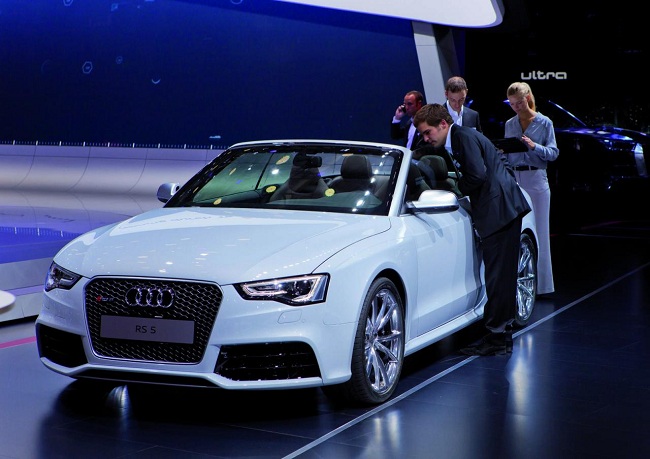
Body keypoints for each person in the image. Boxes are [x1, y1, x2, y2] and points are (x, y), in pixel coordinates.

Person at [413, 103, 531, 356]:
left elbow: (477, 175)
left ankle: (497, 337)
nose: (426, 138)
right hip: (503, 208)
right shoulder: (463, 136)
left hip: (499, 212)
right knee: (502, 277)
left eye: (427, 132)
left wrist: (456, 191)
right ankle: (501, 336)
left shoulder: (462, 138)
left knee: (498, 278)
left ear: (442, 124)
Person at [505, 82, 559, 295]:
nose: (516, 107)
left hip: (536, 179)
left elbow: (553, 153)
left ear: (527, 98)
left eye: (519, 103)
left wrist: (534, 146)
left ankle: (543, 287)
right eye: (512, 104)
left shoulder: (544, 122)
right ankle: (520, 283)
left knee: (541, 233)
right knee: (518, 232)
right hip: (515, 179)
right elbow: (507, 156)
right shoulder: (510, 124)